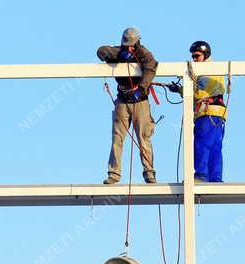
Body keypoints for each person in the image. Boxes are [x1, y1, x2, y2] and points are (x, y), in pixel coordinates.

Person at [97, 27, 159, 184]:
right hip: (123, 100)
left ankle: (149, 173)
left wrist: (142, 88)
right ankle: (114, 174)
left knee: (144, 138)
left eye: (132, 45)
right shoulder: (119, 51)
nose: (129, 48)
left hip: (140, 101)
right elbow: (102, 51)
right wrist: (108, 54)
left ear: (138, 42)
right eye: (127, 45)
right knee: (117, 138)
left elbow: (151, 67)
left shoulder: (144, 54)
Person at [171, 40, 228, 182]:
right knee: (215, 147)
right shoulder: (213, 69)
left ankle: (201, 175)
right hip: (217, 114)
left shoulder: (207, 70)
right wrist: (179, 89)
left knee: (201, 145)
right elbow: (199, 90)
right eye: (193, 57)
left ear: (205, 54)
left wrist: (188, 80)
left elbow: (198, 93)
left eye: (197, 56)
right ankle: (215, 178)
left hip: (207, 114)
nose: (194, 59)